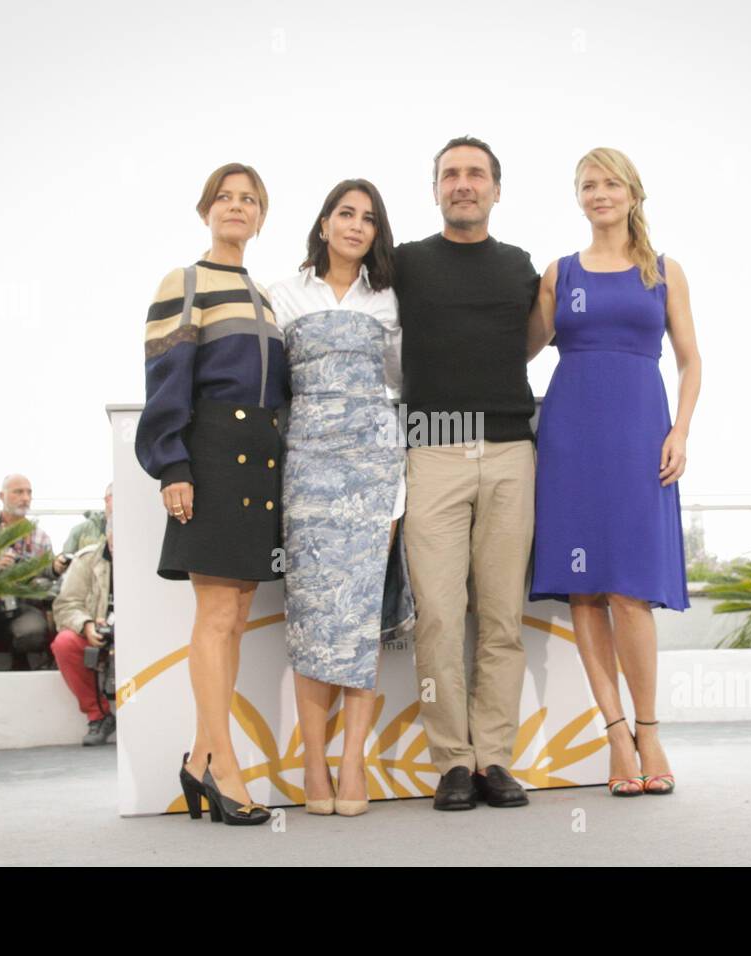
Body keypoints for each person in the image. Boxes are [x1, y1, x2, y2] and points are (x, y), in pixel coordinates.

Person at [526, 147, 701, 797]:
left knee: (630, 588)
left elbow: (690, 360)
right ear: (578, 197)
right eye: (587, 185)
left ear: (633, 194)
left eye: (609, 183)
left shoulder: (665, 273)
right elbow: (523, 347)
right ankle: (615, 734)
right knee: (584, 589)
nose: (598, 193)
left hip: (638, 434)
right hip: (570, 437)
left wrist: (680, 430)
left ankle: (649, 728)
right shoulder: (558, 272)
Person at [134, 163, 286, 827]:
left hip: (262, 468)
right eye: (226, 197)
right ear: (206, 211)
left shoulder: (266, 294)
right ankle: (227, 770)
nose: (237, 207)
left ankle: (197, 761)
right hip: (214, 458)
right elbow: (165, 379)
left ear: (260, 216)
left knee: (237, 610)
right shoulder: (185, 283)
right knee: (216, 615)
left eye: (249, 199)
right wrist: (173, 467)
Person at [396, 136, 540, 811]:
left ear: (495, 189)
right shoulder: (407, 263)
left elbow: (535, 340)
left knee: (503, 616)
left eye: (475, 174)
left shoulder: (519, 268)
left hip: (512, 451)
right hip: (432, 451)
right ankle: (452, 761)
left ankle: (493, 760)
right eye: (450, 174)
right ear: (435, 190)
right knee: (439, 619)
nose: (463, 184)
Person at [268, 179, 415, 818]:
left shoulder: (390, 300)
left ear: (377, 233)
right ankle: (311, 762)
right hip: (305, 468)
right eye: (345, 214)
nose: (356, 225)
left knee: (359, 619)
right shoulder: (281, 295)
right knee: (310, 619)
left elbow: (404, 384)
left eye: (369, 218)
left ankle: (352, 761)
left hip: (374, 469)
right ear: (324, 223)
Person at [0, 473, 64, 671]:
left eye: (29, 492)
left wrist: (43, 571)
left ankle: (20, 659)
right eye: (18, 492)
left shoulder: (40, 537)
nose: (25, 497)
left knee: (33, 632)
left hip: (22, 605)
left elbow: (47, 579)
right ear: (2, 496)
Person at [51, 512, 116, 746]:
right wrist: (87, 625)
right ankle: (98, 715)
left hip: (139, 634)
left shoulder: (34, 533)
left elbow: (43, 569)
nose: (25, 497)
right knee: (64, 643)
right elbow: (66, 603)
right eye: (18, 491)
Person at [62, 483, 111, 554]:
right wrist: (57, 562)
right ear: (107, 500)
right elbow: (65, 559)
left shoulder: (130, 531)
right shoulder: (81, 531)